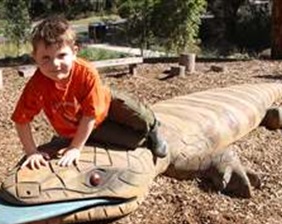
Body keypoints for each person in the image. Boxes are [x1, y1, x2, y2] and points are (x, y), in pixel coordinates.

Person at [11, 16, 167, 169]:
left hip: (104, 103)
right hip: (85, 125)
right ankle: (143, 139)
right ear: (35, 58)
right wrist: (32, 152)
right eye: (45, 57)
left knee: (141, 117)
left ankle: (154, 129)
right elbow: (21, 119)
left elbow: (90, 114)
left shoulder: (86, 73)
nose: (55, 64)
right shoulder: (37, 84)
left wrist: (75, 148)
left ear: (74, 52)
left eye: (62, 55)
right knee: (132, 141)